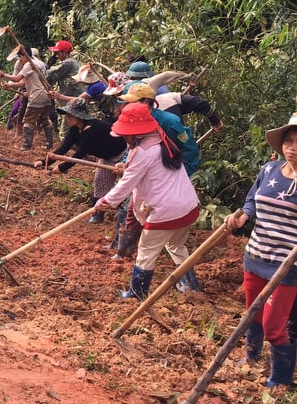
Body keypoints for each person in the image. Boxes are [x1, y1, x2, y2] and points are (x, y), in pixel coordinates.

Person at [94, 101, 201, 299]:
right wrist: (127, 166)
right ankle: (190, 284)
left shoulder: (142, 152)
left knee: (146, 251)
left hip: (165, 211)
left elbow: (125, 185)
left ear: (133, 133)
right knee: (176, 245)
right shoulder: (161, 142)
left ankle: (137, 292)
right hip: (187, 206)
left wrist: (104, 202)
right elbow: (148, 171)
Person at [223, 105, 297, 388]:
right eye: (288, 141)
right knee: (252, 312)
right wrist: (242, 215)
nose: (292, 148)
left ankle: (280, 380)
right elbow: (252, 200)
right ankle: (250, 357)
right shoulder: (269, 169)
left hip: (287, 265)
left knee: (274, 327)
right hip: (256, 255)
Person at [38, 101, 126, 222]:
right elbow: (63, 148)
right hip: (105, 158)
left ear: (79, 116)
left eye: (70, 115)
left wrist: (62, 168)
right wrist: (44, 163)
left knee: (127, 184)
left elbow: (80, 154)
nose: (67, 118)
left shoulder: (93, 128)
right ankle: (97, 216)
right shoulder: (75, 130)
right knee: (99, 183)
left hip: (122, 155)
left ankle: (125, 212)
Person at [0, 46, 52, 150]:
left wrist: (3, 74)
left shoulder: (28, 64)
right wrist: (10, 86)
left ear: (24, 56)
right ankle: (50, 144)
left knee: (28, 122)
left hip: (37, 96)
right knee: (45, 120)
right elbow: (23, 82)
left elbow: (17, 78)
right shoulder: (36, 64)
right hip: (45, 95)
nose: (20, 60)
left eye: (20, 57)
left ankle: (27, 146)